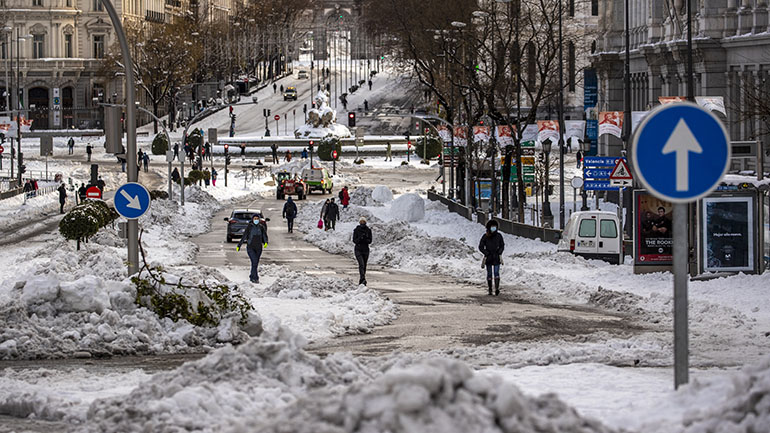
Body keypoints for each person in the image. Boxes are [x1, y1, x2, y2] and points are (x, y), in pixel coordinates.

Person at [236, 214, 268, 284]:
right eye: (255, 219)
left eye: (257, 219)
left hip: (259, 247)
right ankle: (255, 278)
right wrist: (239, 245)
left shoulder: (261, 227)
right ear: (252, 219)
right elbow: (244, 236)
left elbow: (264, 235)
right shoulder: (249, 227)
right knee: (254, 261)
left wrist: (266, 242)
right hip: (251, 247)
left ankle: (252, 276)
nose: (256, 220)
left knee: (255, 263)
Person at [478, 219, 505, 296]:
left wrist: (500, 251)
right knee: (489, 273)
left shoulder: (499, 236)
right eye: (492, 227)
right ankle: (490, 288)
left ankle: (496, 288)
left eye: (495, 227)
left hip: (496, 257)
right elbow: (481, 246)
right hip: (489, 257)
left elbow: (502, 245)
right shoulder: (485, 236)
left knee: (496, 273)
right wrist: (486, 253)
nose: (494, 228)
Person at [353, 217, 372, 286]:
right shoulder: (356, 230)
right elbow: (354, 240)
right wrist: (360, 238)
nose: (362, 223)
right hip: (358, 249)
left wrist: (365, 239)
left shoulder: (368, 230)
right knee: (361, 264)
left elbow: (370, 241)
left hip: (366, 250)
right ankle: (363, 278)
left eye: (363, 222)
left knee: (364, 265)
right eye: (361, 222)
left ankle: (362, 279)